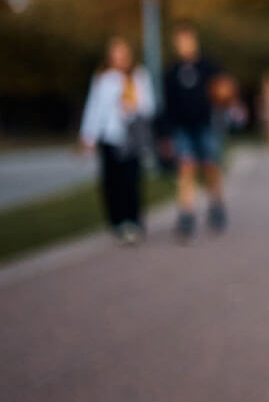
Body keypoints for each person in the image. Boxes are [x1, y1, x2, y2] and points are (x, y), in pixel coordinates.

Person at [78, 36, 155, 245]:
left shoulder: (139, 77)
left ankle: (134, 221)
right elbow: (94, 108)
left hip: (131, 137)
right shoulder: (103, 78)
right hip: (110, 136)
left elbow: (149, 107)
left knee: (131, 180)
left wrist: (133, 107)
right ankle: (117, 222)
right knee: (112, 182)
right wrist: (88, 135)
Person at [163, 22, 226, 242]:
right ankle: (186, 213)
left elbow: (223, 90)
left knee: (210, 166)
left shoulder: (208, 66)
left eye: (187, 40)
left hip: (205, 124)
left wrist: (225, 96)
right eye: (180, 41)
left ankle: (216, 204)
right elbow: (168, 105)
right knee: (186, 167)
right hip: (182, 127)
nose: (184, 45)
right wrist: (165, 134)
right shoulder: (172, 71)